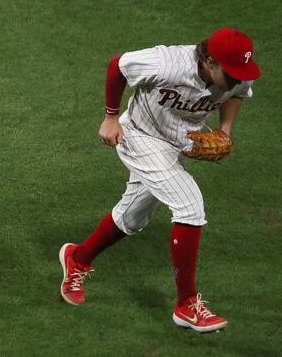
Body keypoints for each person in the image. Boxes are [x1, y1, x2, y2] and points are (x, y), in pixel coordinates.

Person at [59, 28, 261, 332]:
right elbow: (118, 65)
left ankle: (78, 257)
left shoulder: (238, 73)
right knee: (190, 205)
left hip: (177, 145)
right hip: (139, 136)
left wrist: (225, 130)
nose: (236, 79)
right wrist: (111, 117)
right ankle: (187, 305)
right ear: (209, 60)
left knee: (134, 216)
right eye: (230, 73)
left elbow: (239, 91)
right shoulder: (167, 63)